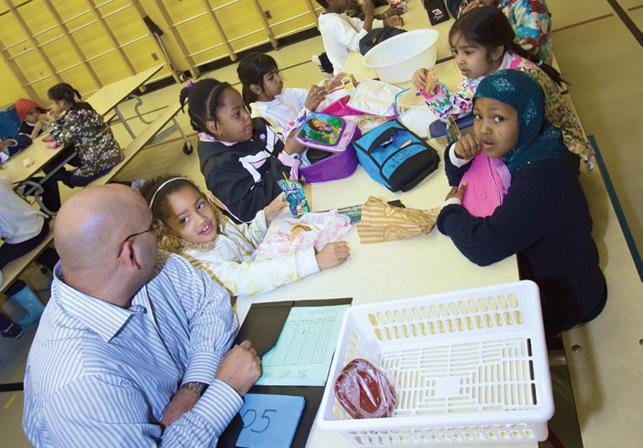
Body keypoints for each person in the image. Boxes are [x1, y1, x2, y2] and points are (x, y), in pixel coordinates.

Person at [23, 184, 262, 446]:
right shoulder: (77, 385)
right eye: (152, 228)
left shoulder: (145, 268)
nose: (160, 237)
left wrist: (193, 388)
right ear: (131, 253)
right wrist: (226, 389)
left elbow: (211, 305)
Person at [437, 70, 607, 339]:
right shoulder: (530, 142)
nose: (483, 129)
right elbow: (463, 180)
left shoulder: (541, 178)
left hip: (568, 298)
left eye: (498, 118)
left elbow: (481, 246)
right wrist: (457, 155)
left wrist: (448, 213)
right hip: (561, 273)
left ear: (526, 116)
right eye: (479, 116)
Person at [412, 6, 591, 167]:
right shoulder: (479, 72)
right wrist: (431, 90)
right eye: (455, 52)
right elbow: (455, 109)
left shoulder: (522, 79)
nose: (460, 61)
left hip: (553, 147)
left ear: (497, 51)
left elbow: (530, 135)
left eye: (468, 52)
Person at [141, 175, 350, 298]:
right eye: (184, 219)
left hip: (275, 282)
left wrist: (266, 216)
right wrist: (313, 261)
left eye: (200, 205)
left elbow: (245, 242)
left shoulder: (218, 222)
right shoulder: (194, 262)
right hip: (254, 303)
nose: (200, 219)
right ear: (167, 230)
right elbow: (244, 278)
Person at [179, 79, 306, 223]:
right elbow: (254, 212)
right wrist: (289, 156)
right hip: (279, 226)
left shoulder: (257, 126)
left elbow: (284, 158)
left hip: (299, 198)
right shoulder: (219, 167)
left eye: (244, 108)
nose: (247, 116)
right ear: (214, 127)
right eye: (237, 114)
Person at [0, 176, 58, 331]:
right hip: (40, 222)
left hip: (25, 237)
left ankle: (34, 308)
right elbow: (8, 180)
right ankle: (62, 278)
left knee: (5, 269)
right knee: (27, 245)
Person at [45, 83, 124, 187]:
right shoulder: (83, 107)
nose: (51, 107)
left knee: (74, 180)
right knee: (73, 159)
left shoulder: (73, 117)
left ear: (61, 103)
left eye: (52, 103)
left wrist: (52, 124)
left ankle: (113, 181)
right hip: (113, 151)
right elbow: (66, 122)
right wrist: (57, 120)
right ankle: (86, 171)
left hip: (104, 160)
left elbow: (62, 140)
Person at [237, 53, 328, 136]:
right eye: (271, 77)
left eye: (277, 73)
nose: (279, 79)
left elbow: (309, 96)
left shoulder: (284, 93)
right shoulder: (261, 119)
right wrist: (307, 110)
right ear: (256, 88)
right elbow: (287, 142)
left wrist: (327, 86)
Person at [450, 0, 552, 64]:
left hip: (532, 65)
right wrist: (466, 19)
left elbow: (528, 45)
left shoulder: (527, 4)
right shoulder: (491, 3)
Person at [315, 0, 402, 74]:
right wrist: (369, 15)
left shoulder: (338, 15)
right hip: (349, 73)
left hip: (356, 63)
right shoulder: (333, 22)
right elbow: (359, 44)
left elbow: (360, 25)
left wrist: (385, 22)